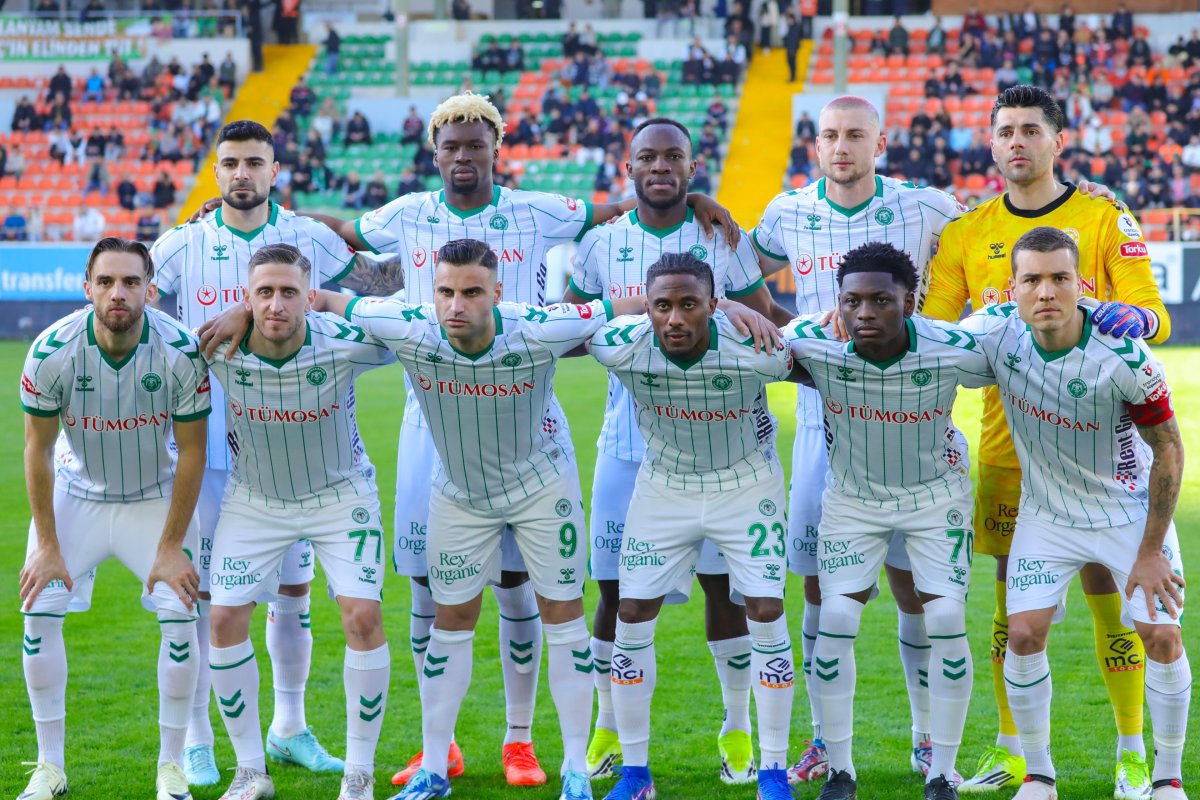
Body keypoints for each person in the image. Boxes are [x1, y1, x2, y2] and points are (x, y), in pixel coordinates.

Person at [289, 91, 737, 790]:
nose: (464, 156)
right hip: (432, 416)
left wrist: (694, 198)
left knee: (521, 586)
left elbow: (621, 207)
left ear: (496, 148)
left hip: (524, 404)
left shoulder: (536, 209)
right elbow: (340, 234)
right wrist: (264, 216)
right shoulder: (406, 214)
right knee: (428, 587)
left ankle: (521, 741)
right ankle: (438, 750)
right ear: (434, 153)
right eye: (451, 146)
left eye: (476, 145)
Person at [318, 238, 651, 800]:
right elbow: (326, 300)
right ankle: (433, 769)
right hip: (460, 494)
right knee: (450, 621)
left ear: (497, 293)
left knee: (563, 618)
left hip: (542, 489)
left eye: (472, 292)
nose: (456, 305)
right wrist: (241, 312)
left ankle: (574, 771)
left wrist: (732, 309)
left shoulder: (539, 328)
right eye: (445, 291)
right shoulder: (408, 326)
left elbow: (629, 303)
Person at [921, 85, 1171, 798]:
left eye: (1031, 129)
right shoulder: (966, 232)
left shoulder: (1103, 216)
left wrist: (1131, 319)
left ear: (1058, 140)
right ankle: (1014, 751)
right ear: (991, 143)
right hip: (1009, 451)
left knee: (1108, 595)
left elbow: (1154, 317)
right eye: (1005, 131)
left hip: (1100, 454)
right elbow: (935, 332)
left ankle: (1132, 750)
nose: (1017, 142)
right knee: (1012, 613)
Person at [751, 95, 967, 785]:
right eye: (829, 136)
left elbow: (991, 233)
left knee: (916, 589)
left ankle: (927, 738)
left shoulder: (925, 205)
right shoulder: (788, 210)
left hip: (908, 411)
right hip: (823, 417)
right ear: (815, 146)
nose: (841, 147)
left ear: (880, 143)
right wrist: (787, 326)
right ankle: (822, 740)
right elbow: (738, 273)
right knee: (822, 588)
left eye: (855, 135)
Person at [562, 117, 780, 786]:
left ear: (692, 165)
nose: (660, 167)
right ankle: (608, 724)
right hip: (630, 443)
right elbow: (569, 332)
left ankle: (737, 729)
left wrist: (737, 310)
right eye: (647, 158)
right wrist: (640, 308)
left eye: (673, 157)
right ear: (628, 167)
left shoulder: (723, 235)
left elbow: (767, 319)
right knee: (615, 591)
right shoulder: (601, 241)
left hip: (721, 443)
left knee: (726, 588)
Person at [150, 120, 362, 787]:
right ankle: (198, 739)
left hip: (288, 445)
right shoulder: (182, 242)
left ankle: (290, 728)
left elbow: (368, 290)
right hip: (203, 445)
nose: (242, 173)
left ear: (275, 170)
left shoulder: (309, 237)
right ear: (216, 172)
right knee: (205, 597)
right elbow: (135, 306)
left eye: (254, 162)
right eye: (231, 163)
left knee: (294, 592)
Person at [958, 227, 1189, 800]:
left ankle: (1167, 777)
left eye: (1060, 278)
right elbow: (924, 345)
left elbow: (1169, 448)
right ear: (1012, 287)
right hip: (1048, 515)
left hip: (1127, 511)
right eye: (1032, 280)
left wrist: (1151, 550)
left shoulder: (1124, 355)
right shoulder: (995, 333)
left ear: (1080, 283)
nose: (1046, 292)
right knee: (1023, 634)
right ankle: (1039, 776)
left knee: (1161, 637)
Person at [787, 242, 998, 800]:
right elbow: (747, 339)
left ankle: (940, 772)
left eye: (881, 300)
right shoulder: (814, 341)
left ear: (909, 301)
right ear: (837, 303)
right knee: (835, 616)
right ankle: (840, 770)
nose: (865, 312)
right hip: (853, 501)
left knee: (945, 617)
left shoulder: (951, 346)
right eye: (852, 301)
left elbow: (1011, 333)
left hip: (935, 498)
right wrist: (738, 309)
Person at [588, 253, 797, 800]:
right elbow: (564, 328)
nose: (675, 318)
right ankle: (635, 775)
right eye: (663, 306)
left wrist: (744, 313)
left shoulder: (756, 348)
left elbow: (806, 352)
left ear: (712, 305)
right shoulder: (619, 345)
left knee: (765, 609)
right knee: (631, 611)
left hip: (746, 484)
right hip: (664, 486)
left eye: (690, 305)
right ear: (647, 307)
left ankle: (774, 774)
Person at [16, 237, 210, 800]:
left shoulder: (180, 351)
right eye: (105, 282)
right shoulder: (51, 350)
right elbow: (36, 449)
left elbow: (192, 452)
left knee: (180, 614)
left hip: (154, 499)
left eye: (130, 282)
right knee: (39, 610)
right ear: (88, 289)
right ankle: (49, 768)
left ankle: (171, 768)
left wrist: (171, 546)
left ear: (151, 289)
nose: (117, 293)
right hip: (76, 496)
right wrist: (47, 544)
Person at [202, 244, 396, 800]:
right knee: (223, 619)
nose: (276, 304)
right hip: (255, 499)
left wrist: (342, 302)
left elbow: (408, 322)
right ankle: (250, 772)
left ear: (310, 298)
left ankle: (358, 775)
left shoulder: (345, 342)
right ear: (246, 297)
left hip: (341, 495)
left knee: (363, 617)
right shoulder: (218, 347)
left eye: (289, 292)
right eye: (263, 293)